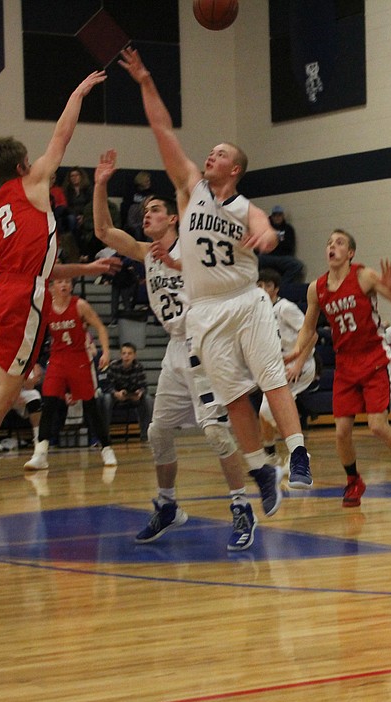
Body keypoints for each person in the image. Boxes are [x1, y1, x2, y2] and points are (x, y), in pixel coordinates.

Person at [119, 46, 314, 550]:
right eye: (211, 151)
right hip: (203, 314)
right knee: (232, 403)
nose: (211, 156)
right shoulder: (189, 188)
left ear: (236, 169)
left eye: (221, 154)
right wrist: (144, 81)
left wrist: (269, 237)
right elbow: (163, 131)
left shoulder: (245, 204)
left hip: (244, 301)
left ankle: (296, 453)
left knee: (269, 381)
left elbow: (262, 227)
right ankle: (261, 472)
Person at [0, 69, 116, 521]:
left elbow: (39, 265)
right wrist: (76, 91)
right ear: (21, 167)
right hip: (23, 298)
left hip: (0, 290)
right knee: (12, 388)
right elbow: (62, 133)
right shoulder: (33, 181)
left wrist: (87, 268)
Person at [92, 149, 272, 547]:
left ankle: (241, 508)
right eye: (145, 212)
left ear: (174, 217)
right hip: (175, 348)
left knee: (215, 432)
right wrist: (101, 184)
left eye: (156, 210)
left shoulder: (193, 245)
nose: (147, 215)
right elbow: (104, 232)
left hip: (203, 342)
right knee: (158, 432)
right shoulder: (145, 252)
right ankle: (168, 505)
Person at [286, 229, 391, 508]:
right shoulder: (316, 288)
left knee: (377, 425)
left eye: (339, 243)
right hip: (345, 364)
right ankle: (354, 480)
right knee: (341, 431)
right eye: (329, 242)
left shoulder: (363, 276)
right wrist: (297, 351)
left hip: (374, 358)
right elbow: (308, 326)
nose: (332, 246)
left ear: (350, 253)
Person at [24, 276, 115, 469]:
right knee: (48, 403)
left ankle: (107, 449)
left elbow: (100, 327)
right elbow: (36, 337)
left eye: (67, 282)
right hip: (57, 359)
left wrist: (105, 352)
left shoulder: (80, 305)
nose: (64, 284)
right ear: (51, 288)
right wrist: (34, 363)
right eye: (60, 282)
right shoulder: (46, 307)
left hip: (79, 359)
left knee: (90, 406)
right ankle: (41, 453)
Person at [256, 268, 315, 462]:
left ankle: (298, 453)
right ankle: (271, 456)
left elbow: (312, 335)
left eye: (268, 285)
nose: (263, 288)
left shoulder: (285, 308)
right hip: (278, 367)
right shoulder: (258, 311)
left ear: (276, 289)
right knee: (264, 413)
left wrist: (298, 364)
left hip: (300, 364)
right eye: (260, 285)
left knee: (268, 410)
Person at [99, 341, 151, 441]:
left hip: (133, 396)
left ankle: (145, 434)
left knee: (148, 399)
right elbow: (107, 385)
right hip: (116, 396)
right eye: (124, 353)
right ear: (121, 355)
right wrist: (116, 393)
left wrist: (140, 393)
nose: (126, 356)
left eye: (129, 353)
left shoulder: (138, 367)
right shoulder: (114, 366)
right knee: (106, 398)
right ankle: (105, 435)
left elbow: (143, 385)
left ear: (134, 355)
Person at [258, 205, 306, 285]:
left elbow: (289, 246)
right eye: (275, 215)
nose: (277, 217)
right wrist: (278, 243)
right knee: (255, 260)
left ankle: (282, 285)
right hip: (267, 257)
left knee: (298, 265)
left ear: (283, 216)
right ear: (272, 216)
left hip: (283, 257)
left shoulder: (288, 229)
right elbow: (262, 244)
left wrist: (273, 242)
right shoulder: (265, 228)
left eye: (279, 215)